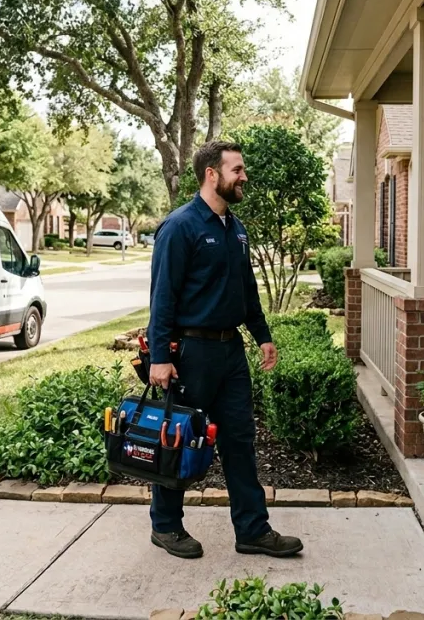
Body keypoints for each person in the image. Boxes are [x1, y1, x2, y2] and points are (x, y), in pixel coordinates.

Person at [145, 140, 303, 560]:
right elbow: (163, 297)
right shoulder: (180, 227)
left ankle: (252, 529)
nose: (244, 176)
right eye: (237, 169)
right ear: (211, 174)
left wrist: (262, 334)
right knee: (178, 441)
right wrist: (160, 357)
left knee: (239, 440)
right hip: (192, 354)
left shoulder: (235, 228)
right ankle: (165, 526)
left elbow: (246, 290)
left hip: (231, 352)